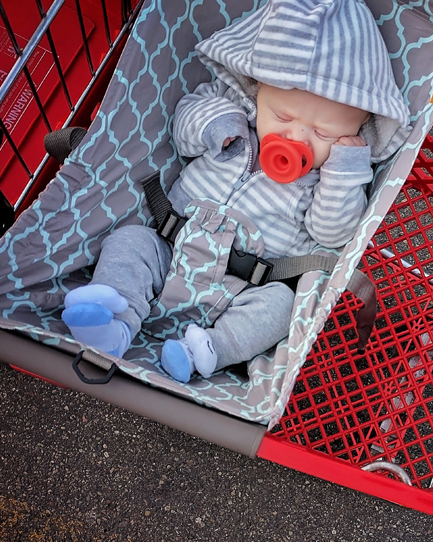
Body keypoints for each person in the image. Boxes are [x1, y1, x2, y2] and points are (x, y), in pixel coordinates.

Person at [60, 0, 410, 382]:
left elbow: (334, 232)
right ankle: (113, 321)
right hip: (170, 248)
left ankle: (208, 350)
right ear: (256, 90)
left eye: (323, 133)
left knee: (281, 306)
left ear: (354, 133)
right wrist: (215, 124)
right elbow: (185, 125)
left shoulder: (326, 178)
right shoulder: (233, 115)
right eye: (282, 116)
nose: (296, 136)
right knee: (129, 242)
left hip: (244, 287)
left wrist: (345, 171)